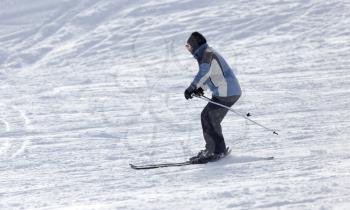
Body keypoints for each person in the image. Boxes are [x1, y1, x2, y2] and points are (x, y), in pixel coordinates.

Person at [184, 32, 242, 164]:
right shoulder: (206, 53)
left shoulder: (207, 54)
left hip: (227, 92)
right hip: (225, 92)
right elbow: (211, 75)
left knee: (209, 117)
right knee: (208, 117)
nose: (189, 50)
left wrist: (191, 87)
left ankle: (216, 151)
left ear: (195, 45)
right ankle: (213, 149)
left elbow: (203, 73)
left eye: (189, 46)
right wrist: (200, 89)